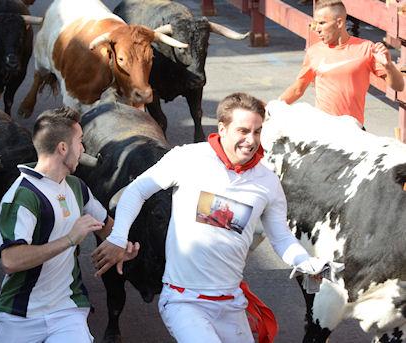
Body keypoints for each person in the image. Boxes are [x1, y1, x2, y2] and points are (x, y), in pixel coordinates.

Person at [92, 92, 331, 343]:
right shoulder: (189, 158)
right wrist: (118, 237)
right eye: (243, 131)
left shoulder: (267, 182)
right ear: (222, 128)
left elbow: (280, 236)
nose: (251, 141)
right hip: (183, 301)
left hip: (231, 304)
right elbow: (137, 190)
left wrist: (305, 262)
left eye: (257, 132)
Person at [0, 107, 138, 343]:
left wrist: (122, 245)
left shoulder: (76, 186)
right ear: (63, 148)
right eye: (80, 141)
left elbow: (106, 226)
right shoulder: (22, 196)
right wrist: (70, 239)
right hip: (19, 316)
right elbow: (11, 261)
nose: (83, 149)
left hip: (67, 309)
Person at [279, 0, 404, 127]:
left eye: (322, 23)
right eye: (316, 24)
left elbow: (399, 86)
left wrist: (388, 66)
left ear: (339, 22)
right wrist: (271, 109)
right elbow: (297, 89)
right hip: (322, 130)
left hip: (353, 130)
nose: (317, 29)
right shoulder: (313, 52)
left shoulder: (366, 48)